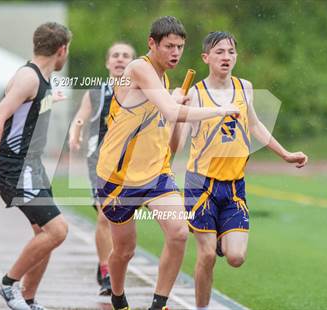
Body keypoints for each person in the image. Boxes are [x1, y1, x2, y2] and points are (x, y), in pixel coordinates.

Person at [95, 17, 240, 310]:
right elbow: (172, 112)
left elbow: (172, 142)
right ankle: (118, 298)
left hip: (156, 173)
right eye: (169, 46)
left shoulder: (164, 80)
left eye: (180, 47)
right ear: (152, 43)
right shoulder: (138, 68)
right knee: (124, 250)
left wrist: (179, 110)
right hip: (118, 176)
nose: (175, 53)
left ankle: (158, 304)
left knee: (178, 232)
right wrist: (220, 109)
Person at [176, 32, 308, 310]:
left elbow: (255, 125)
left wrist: (285, 154)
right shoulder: (195, 94)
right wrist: (177, 114)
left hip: (234, 184)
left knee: (236, 257)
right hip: (200, 185)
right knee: (207, 255)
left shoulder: (244, 87)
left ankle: (223, 237)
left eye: (231, 52)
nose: (226, 57)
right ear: (206, 58)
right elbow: (176, 144)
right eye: (219, 52)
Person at [0, 22, 72, 310]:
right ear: (61, 50)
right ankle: (8, 284)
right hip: (14, 168)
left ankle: (28, 299)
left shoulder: (40, 79)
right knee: (58, 231)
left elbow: (25, 118)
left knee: (44, 235)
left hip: (32, 166)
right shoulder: (28, 78)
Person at [68, 42, 136, 296]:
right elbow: (80, 117)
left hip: (132, 162)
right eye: (115, 55)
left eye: (126, 55)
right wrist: (74, 134)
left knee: (124, 218)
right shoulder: (96, 92)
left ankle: (115, 264)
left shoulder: (139, 91)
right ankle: (107, 269)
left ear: (134, 63)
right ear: (108, 63)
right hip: (100, 161)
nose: (120, 59)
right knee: (105, 215)